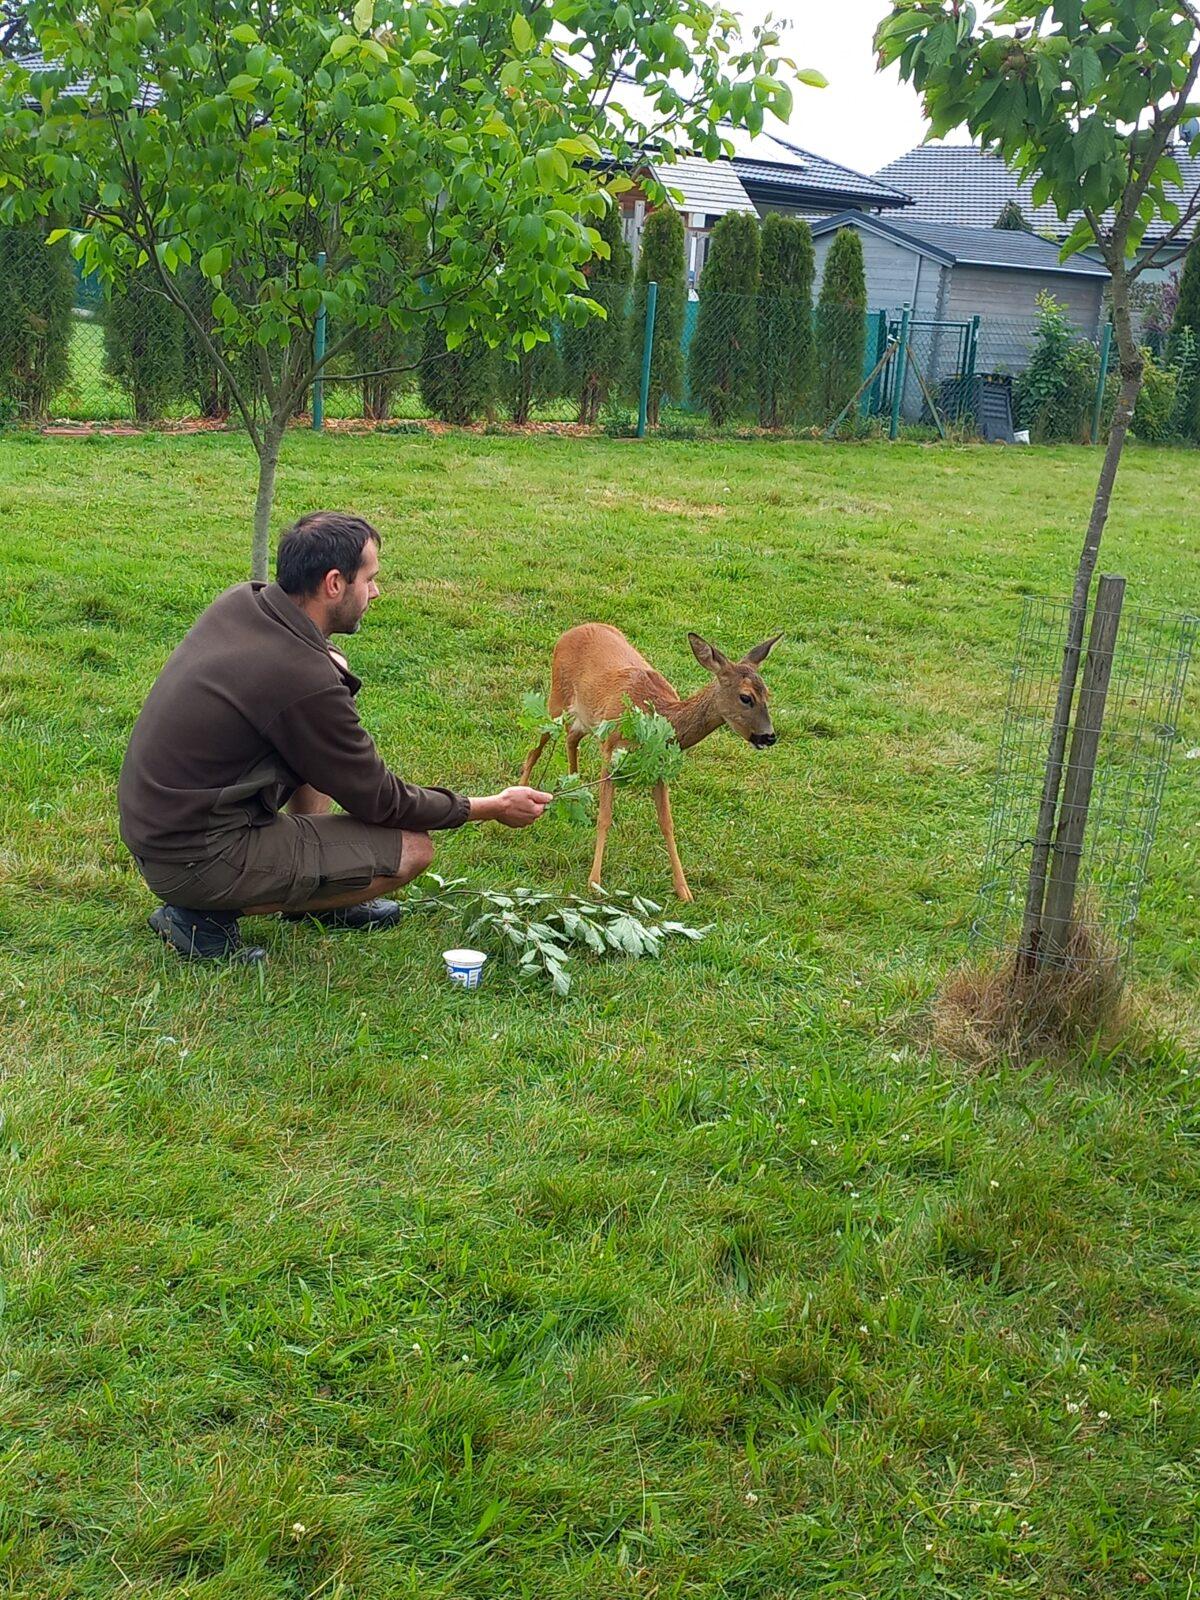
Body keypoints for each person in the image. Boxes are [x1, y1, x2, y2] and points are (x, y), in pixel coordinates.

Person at [118, 511, 552, 963]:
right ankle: (199, 917)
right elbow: (383, 801)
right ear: (333, 584)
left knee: (312, 744)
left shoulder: (246, 602)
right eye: (369, 579)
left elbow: (311, 711)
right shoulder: (301, 680)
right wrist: (490, 807)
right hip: (195, 858)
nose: (376, 591)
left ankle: (322, 900)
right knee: (413, 850)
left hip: (162, 828)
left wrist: (332, 669)